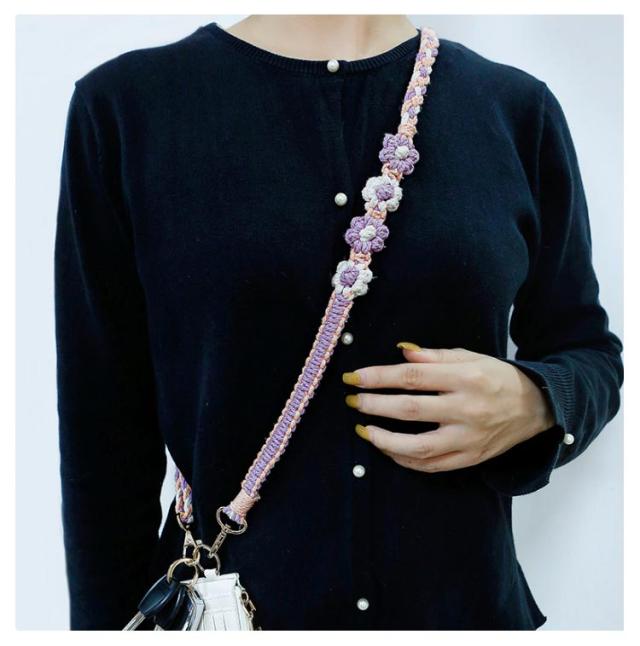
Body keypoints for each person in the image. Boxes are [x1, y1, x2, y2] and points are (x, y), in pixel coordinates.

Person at [54, 14, 624, 630]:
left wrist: (537, 400)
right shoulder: (125, 108)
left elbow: (588, 349)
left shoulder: (515, 110)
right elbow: (102, 436)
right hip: (229, 615)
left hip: (465, 613)